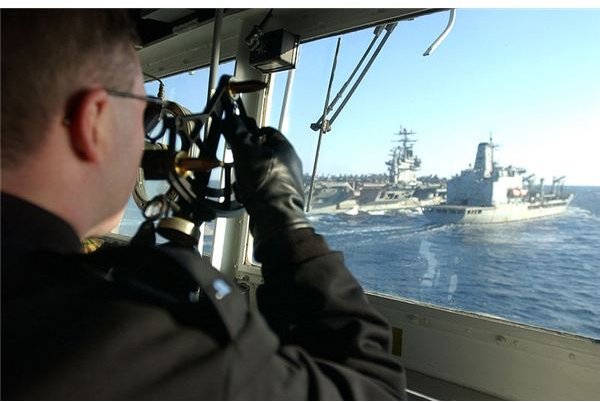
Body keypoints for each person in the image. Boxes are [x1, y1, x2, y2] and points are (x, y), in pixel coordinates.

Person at [1, 10, 406, 400]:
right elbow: (376, 392)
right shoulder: (138, 342)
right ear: (96, 123)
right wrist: (284, 218)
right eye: (145, 115)